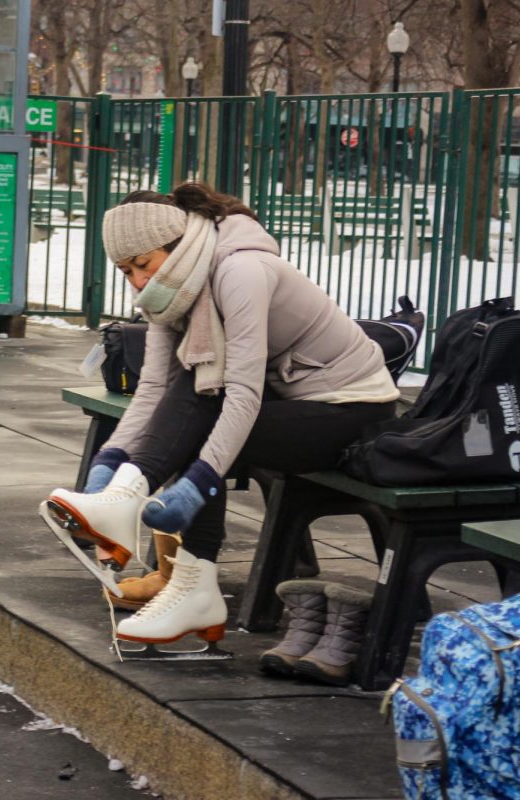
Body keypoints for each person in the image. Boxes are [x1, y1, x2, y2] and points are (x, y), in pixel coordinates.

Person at [43, 183, 399, 651]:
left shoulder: (241, 271)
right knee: (193, 390)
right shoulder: (172, 291)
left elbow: (243, 393)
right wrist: (104, 473)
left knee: (201, 396)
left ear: (176, 244)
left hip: (350, 413)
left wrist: (197, 484)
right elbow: (151, 391)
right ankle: (182, 575)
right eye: (125, 271)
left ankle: (194, 589)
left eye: (143, 265)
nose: (136, 282)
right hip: (290, 404)